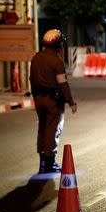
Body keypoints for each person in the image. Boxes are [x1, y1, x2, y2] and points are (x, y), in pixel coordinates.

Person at [29, 29, 77, 174]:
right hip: (53, 101)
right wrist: (70, 101)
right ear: (57, 45)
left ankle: (42, 162)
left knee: (42, 129)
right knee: (52, 130)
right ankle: (49, 163)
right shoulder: (57, 62)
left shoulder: (36, 58)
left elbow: (31, 79)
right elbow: (62, 84)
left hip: (38, 99)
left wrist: (35, 96)